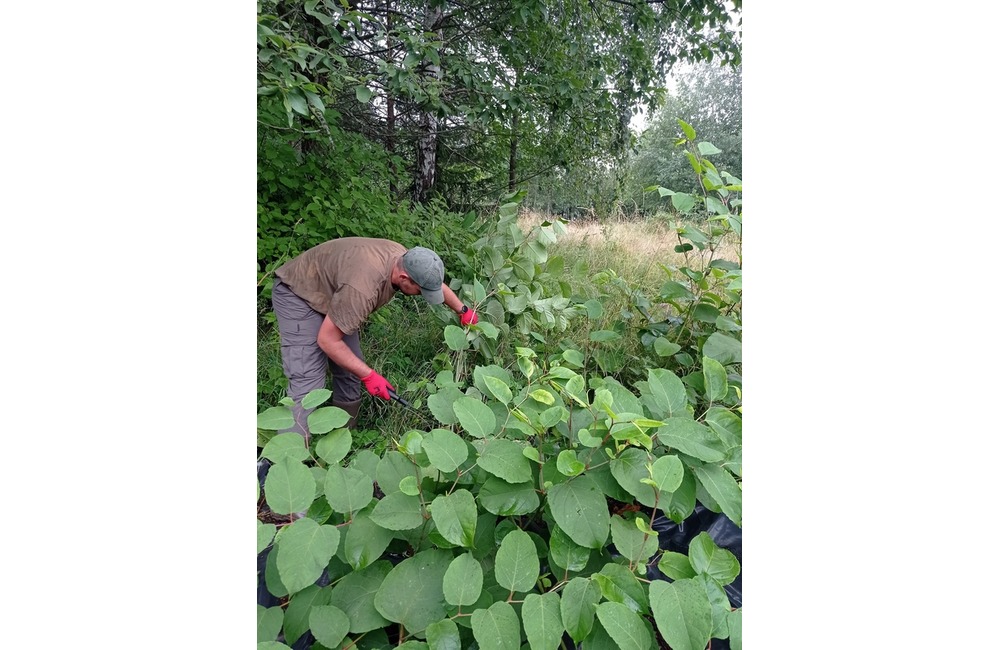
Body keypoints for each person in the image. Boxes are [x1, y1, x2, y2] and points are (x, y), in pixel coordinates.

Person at [269, 237, 478, 442]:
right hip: (299, 294)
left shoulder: (407, 259)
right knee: (308, 381)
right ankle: (285, 455)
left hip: (336, 294)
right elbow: (328, 341)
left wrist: (463, 310)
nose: (421, 295)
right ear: (404, 278)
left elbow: (432, 283)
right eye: (420, 291)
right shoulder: (363, 290)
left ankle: (341, 441)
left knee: (351, 368)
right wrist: (369, 376)